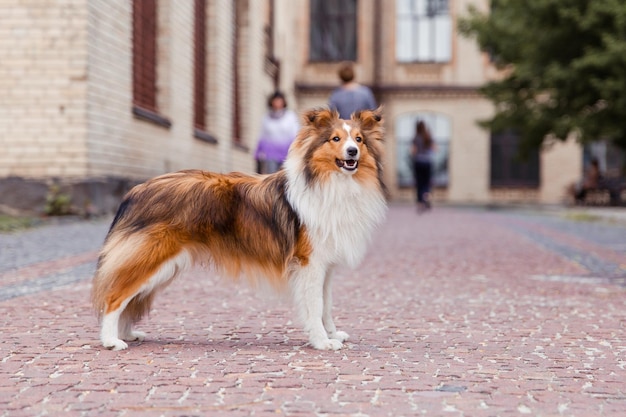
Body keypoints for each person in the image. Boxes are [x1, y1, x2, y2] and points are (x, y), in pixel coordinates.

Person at [254, 91, 300, 174]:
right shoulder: (266, 118)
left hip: (287, 153)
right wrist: (258, 152)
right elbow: (262, 136)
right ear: (271, 102)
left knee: (285, 177)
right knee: (272, 176)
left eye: (279, 101)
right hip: (271, 154)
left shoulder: (290, 116)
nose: (277, 103)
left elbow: (296, 134)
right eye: (275, 100)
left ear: (283, 102)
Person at [411, 120, 435, 212]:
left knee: (419, 182)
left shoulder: (416, 138)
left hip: (418, 162)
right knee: (427, 181)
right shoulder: (428, 137)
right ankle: (427, 195)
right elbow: (435, 148)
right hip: (427, 162)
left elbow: (413, 151)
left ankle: (420, 203)